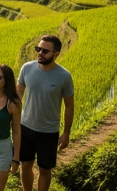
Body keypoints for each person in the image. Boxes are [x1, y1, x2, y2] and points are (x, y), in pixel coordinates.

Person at [17, 35, 74, 191]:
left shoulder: (64, 76)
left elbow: (69, 106)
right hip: (26, 127)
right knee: (26, 164)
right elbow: (19, 92)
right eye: (38, 49)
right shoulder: (27, 68)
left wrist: (66, 133)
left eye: (45, 51)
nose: (40, 53)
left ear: (56, 53)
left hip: (49, 131)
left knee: (45, 169)